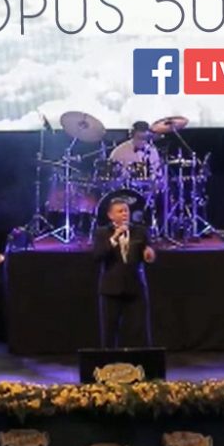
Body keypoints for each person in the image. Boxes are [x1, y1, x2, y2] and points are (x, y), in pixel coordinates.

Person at [91, 197, 157, 348]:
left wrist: (149, 255)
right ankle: (109, 360)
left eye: (126, 211)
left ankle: (141, 360)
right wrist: (114, 237)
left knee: (140, 329)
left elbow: (148, 253)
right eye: (120, 211)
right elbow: (97, 256)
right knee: (109, 330)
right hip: (111, 288)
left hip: (135, 286)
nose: (124, 214)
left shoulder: (140, 231)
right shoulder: (102, 233)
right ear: (111, 215)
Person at [108, 121, 163, 186]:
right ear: (132, 136)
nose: (142, 141)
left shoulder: (152, 151)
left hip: (148, 189)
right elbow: (112, 176)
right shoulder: (119, 152)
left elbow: (158, 173)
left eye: (145, 138)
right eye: (139, 138)